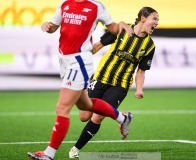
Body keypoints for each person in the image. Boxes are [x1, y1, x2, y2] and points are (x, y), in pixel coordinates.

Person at [27, 0, 134, 160]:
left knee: (62, 107)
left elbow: (113, 28)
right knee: (86, 105)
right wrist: (47, 26)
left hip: (79, 61)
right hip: (64, 60)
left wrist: (122, 24)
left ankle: (49, 155)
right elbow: (54, 26)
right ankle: (123, 118)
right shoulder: (65, 4)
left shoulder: (96, 7)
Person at [69, 6, 159, 158]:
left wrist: (139, 89)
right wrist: (81, 56)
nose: (157, 23)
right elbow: (98, 45)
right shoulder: (121, 30)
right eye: (154, 19)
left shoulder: (149, 45)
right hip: (100, 78)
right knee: (84, 116)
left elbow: (141, 71)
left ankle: (75, 150)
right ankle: (123, 116)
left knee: (97, 117)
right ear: (143, 18)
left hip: (120, 85)